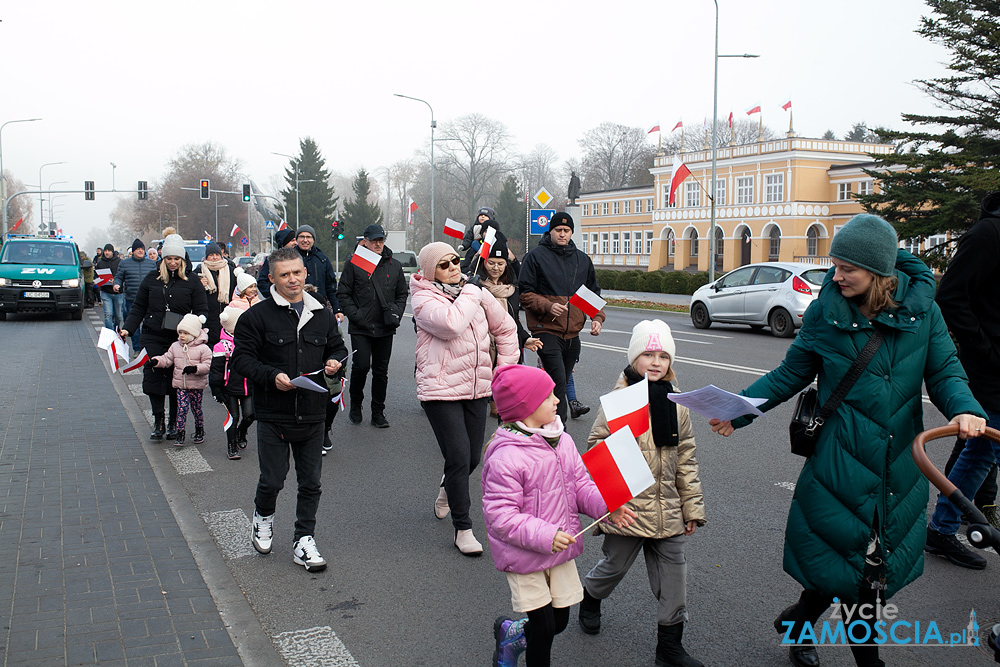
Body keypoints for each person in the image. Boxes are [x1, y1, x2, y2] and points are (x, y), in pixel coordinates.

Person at [708, 214, 986, 667]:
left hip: (898, 466)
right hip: (839, 462)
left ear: (878, 271)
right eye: (835, 266)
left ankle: (798, 620)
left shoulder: (924, 313)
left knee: (852, 562)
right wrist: (737, 411)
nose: (835, 276)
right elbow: (791, 373)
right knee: (856, 567)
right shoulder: (825, 311)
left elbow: (945, 370)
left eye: (846, 269)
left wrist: (966, 407)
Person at [481, 364, 637, 667]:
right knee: (544, 627)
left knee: (561, 621)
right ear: (526, 407)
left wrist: (607, 507)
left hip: (559, 548)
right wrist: (546, 535)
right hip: (525, 553)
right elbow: (501, 516)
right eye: (549, 395)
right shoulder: (505, 457)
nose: (557, 399)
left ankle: (511, 633)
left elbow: (580, 484)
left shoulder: (561, 439)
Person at [580, 320, 705, 667]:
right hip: (628, 506)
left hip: (668, 507)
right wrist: (615, 492)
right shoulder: (621, 400)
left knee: (674, 579)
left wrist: (692, 508)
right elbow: (596, 447)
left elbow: (686, 458)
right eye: (648, 354)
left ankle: (669, 647)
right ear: (634, 358)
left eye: (663, 355)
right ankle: (590, 596)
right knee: (614, 566)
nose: (656, 361)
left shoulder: (678, 404)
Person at [230, 246, 348, 573]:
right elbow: (241, 359)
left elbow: (337, 346)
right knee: (272, 479)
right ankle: (263, 518)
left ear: (305, 273)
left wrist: (334, 362)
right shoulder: (255, 317)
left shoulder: (321, 314)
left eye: (297, 272)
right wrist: (272, 377)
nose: (292, 279)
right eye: (284, 274)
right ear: (272, 278)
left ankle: (303, 539)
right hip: (273, 414)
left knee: (311, 483)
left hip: (312, 412)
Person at [410, 242, 518, 555]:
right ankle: (463, 527)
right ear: (431, 271)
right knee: (458, 456)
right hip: (440, 389)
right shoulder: (423, 296)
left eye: (455, 261)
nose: (454, 267)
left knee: (472, 458)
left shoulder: (475, 292)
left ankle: (448, 486)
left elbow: (507, 330)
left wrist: (503, 371)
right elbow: (451, 324)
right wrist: (473, 291)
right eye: (444, 265)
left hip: (477, 387)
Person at [925, 191, 1000, 569]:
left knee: (980, 448)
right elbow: (951, 297)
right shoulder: (988, 234)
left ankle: (946, 526)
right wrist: (986, 351)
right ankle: (943, 528)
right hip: (991, 371)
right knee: (984, 447)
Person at [120, 234, 210, 441]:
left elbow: (202, 309)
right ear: (162, 259)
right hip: (152, 336)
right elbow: (138, 307)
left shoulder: (192, 280)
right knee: (153, 377)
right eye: (168, 258)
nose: (172, 262)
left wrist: (197, 326)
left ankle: (172, 421)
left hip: (180, 340)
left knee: (175, 380)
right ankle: (158, 420)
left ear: (182, 260)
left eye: (176, 259)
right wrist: (128, 329)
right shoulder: (152, 279)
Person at [519, 212, 605, 422]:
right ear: (550, 231)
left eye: (566, 231)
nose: (562, 234)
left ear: (572, 233)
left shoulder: (582, 260)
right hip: (546, 330)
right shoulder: (536, 257)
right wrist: (548, 306)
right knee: (558, 381)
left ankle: (537, 416)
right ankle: (559, 432)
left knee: (560, 381)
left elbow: (592, 293)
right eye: (558, 230)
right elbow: (525, 293)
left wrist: (597, 317)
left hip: (572, 334)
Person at [337, 224, 409, 428]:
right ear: (365, 241)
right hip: (362, 326)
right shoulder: (355, 263)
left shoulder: (394, 264)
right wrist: (356, 315)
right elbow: (343, 293)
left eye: (381, 240)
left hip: (385, 327)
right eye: (374, 240)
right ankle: (356, 404)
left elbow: (402, 294)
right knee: (360, 367)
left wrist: (396, 312)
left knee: (381, 371)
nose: (378, 244)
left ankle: (378, 412)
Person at [149, 314, 211, 447]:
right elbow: (167, 359)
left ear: (194, 334)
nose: (182, 336)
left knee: (196, 409)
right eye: (180, 332)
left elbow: (208, 366)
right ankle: (180, 432)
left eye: (186, 333)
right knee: (181, 409)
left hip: (196, 385)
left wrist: (195, 368)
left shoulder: (203, 348)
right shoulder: (175, 346)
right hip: (180, 385)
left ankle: (199, 429)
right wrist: (156, 361)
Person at [210, 306, 254, 460]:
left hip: (248, 386)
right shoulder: (221, 346)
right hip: (229, 388)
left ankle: (242, 432)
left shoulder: (250, 341)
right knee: (233, 417)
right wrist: (216, 390)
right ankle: (231, 445)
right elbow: (215, 370)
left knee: (250, 415)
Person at [114, 239, 157, 353]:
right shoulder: (124, 263)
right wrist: (117, 284)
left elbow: (158, 278)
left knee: (148, 324)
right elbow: (119, 277)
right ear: (133, 251)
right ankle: (137, 348)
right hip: (132, 299)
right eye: (138, 249)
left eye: (142, 249)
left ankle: (146, 348)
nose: (140, 251)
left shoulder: (152, 264)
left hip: (149, 299)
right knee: (134, 324)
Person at [293, 225, 343, 320]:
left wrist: (337, 309)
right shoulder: (289, 258)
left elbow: (331, 286)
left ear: (313, 239)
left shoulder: (322, 259)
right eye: (302, 237)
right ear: (297, 239)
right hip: (295, 307)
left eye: (308, 237)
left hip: (318, 307)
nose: (305, 240)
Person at [197, 242, 238, 346]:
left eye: (217, 255)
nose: (214, 258)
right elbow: (191, 290)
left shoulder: (231, 271)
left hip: (226, 314)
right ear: (206, 257)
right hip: (208, 316)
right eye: (211, 255)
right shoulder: (199, 271)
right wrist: (199, 284)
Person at [255, 228, 296, 297]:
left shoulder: (298, 258)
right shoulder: (272, 260)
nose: (295, 243)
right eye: (292, 240)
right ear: (284, 242)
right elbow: (262, 282)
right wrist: (273, 295)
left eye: (295, 240)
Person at [96, 243, 123, 331]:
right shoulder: (100, 263)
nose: (107, 253)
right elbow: (96, 277)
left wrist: (116, 282)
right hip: (106, 292)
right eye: (106, 251)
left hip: (118, 293)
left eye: (109, 251)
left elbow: (123, 275)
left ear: (112, 251)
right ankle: (110, 333)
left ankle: (116, 330)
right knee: (108, 314)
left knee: (118, 316)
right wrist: (99, 281)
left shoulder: (119, 262)